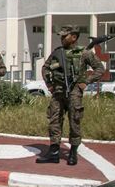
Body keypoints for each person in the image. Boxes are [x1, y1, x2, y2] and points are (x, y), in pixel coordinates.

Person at [36, 25, 103, 165]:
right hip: (58, 92)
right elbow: (45, 68)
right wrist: (49, 84)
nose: (61, 38)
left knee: (74, 121)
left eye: (64, 36)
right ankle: (54, 152)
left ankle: (73, 152)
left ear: (74, 37)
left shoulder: (84, 53)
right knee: (54, 121)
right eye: (61, 36)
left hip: (74, 92)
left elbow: (99, 69)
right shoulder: (57, 52)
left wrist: (86, 81)